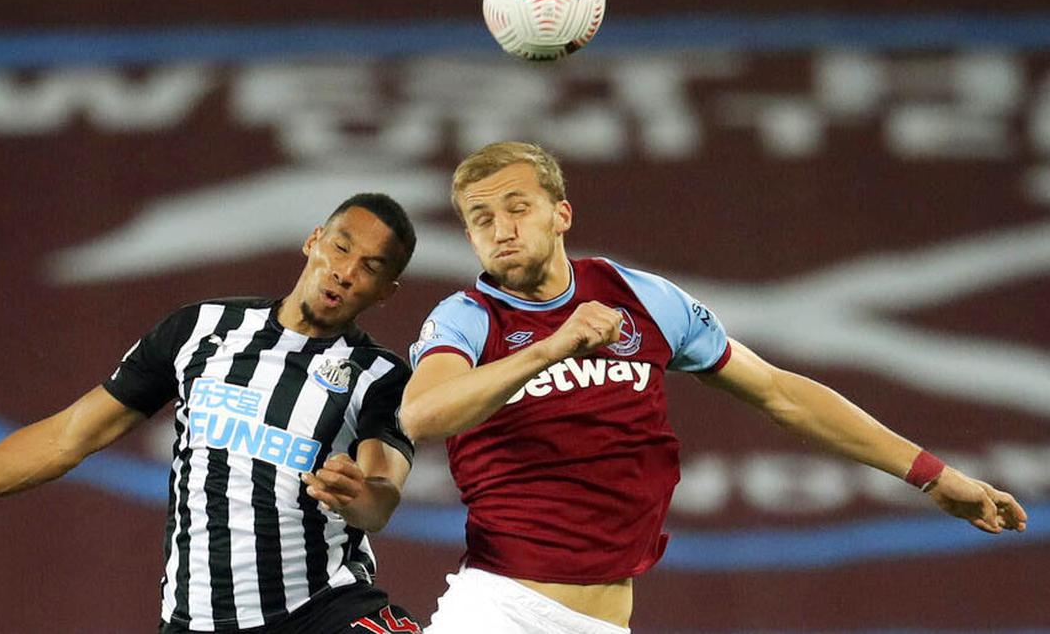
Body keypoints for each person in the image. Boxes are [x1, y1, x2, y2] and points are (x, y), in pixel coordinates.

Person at [400, 142, 1029, 634]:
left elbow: (780, 393)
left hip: (602, 617)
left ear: (561, 213)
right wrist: (553, 346)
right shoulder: (469, 318)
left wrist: (933, 475)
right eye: (481, 218)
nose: (501, 228)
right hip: (502, 609)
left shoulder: (641, 297)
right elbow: (423, 415)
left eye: (517, 206)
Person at [0, 193, 425, 634]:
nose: (346, 271)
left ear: (387, 292)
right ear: (313, 241)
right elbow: (67, 438)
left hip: (321, 610)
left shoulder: (381, 375)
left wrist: (361, 498)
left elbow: (381, 495)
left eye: (372, 267)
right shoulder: (200, 330)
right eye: (342, 247)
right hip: (198, 619)